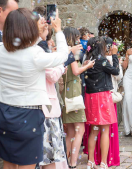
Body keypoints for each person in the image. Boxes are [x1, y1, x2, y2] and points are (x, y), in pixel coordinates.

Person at [0, 8, 68, 169]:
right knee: (27, 164)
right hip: (28, 115)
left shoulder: (1, 50)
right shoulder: (35, 54)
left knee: (9, 162)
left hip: (4, 111)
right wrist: (58, 31)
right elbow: (64, 55)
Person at [83, 36, 121, 167]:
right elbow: (116, 71)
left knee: (93, 130)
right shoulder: (101, 59)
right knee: (105, 130)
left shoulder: (88, 59)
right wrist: (115, 56)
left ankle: (91, 161)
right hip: (102, 96)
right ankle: (104, 162)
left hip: (90, 96)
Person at [61, 27, 95, 169]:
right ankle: (73, 162)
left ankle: (64, 161)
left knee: (69, 131)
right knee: (79, 129)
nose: (78, 39)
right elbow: (75, 71)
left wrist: (84, 64)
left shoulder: (63, 51)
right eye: (76, 36)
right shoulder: (72, 51)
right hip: (74, 92)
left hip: (66, 94)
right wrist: (88, 66)